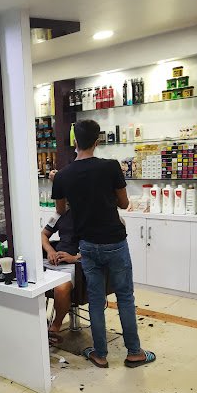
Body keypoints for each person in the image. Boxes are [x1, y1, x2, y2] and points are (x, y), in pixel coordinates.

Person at [51, 119, 156, 368]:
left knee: (96, 300)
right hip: (115, 242)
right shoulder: (111, 167)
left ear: (75, 141)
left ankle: (99, 354)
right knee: (125, 297)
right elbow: (123, 203)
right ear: (97, 141)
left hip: (87, 245)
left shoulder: (63, 175)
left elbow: (61, 210)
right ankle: (134, 353)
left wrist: (68, 189)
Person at [41, 208, 80, 343]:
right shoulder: (60, 213)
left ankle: (56, 326)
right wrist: (50, 250)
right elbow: (43, 234)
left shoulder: (90, 214)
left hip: (77, 264)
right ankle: (39, 321)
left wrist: (75, 258)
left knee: (61, 287)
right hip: (55, 260)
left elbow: (99, 246)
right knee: (29, 277)